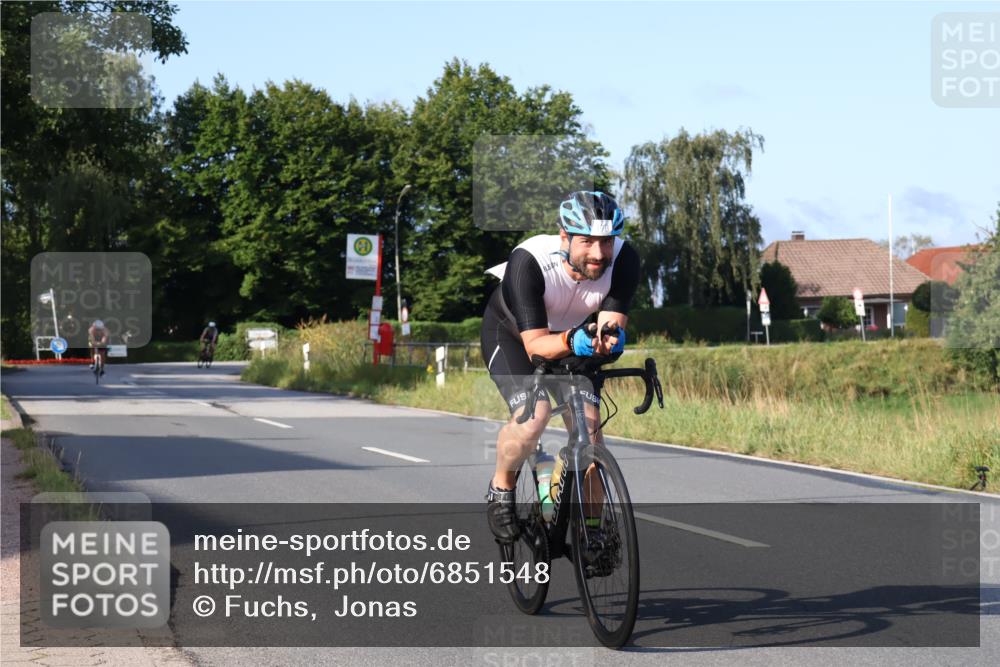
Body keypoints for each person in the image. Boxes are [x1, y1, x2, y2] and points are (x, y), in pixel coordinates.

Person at [480, 191, 640, 543]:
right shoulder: (529, 260)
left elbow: (609, 324)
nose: (599, 254)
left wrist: (609, 341)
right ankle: (501, 490)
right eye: (587, 242)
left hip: (572, 337)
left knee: (591, 429)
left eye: (606, 242)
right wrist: (577, 340)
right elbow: (536, 346)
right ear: (564, 236)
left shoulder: (624, 260)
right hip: (513, 336)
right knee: (532, 417)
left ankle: (593, 532)